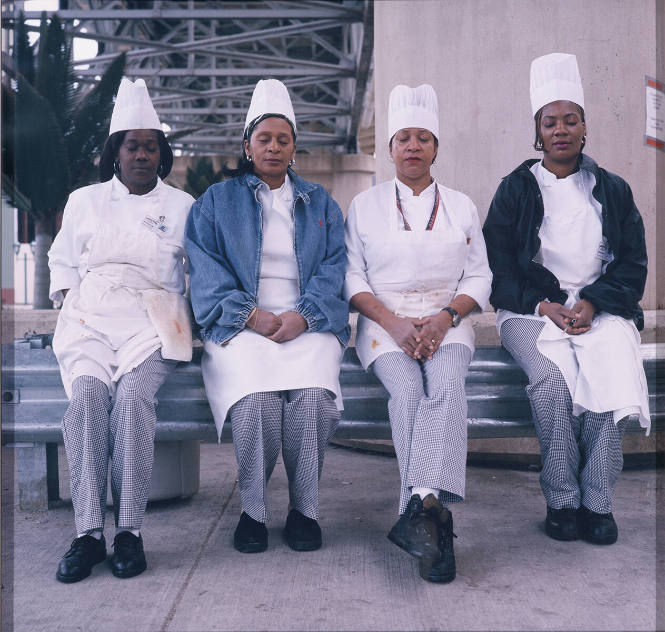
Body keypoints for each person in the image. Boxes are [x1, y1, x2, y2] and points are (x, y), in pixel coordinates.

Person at [482, 53, 650, 545]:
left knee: (608, 378)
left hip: (602, 309)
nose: (560, 130)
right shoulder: (515, 189)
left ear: (584, 127)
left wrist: (594, 303)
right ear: (537, 131)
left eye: (569, 120)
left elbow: (632, 264)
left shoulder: (613, 189)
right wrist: (543, 305)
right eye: (549, 122)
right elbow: (501, 268)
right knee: (554, 386)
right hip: (530, 311)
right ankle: (562, 499)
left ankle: (597, 500)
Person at [185, 79, 349, 554]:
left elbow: (334, 266)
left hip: (308, 323)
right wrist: (250, 316)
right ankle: (253, 511)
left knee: (315, 400)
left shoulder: (321, 202)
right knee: (256, 401)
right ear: (247, 145)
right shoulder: (216, 201)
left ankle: (305, 511)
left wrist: (306, 315)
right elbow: (206, 270)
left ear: (295, 147)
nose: (274, 147)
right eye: (264, 138)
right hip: (241, 324)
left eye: (283, 139)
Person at [48, 78, 194, 582]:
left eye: (150, 147)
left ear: (161, 154)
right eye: (132, 146)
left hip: (152, 326)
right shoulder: (85, 201)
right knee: (87, 402)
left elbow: (200, 272)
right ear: (116, 152)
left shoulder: (182, 207)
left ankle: (129, 531)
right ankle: (88, 534)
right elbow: (62, 261)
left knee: (133, 403)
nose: (141, 155)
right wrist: (72, 303)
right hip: (89, 322)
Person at [344, 84, 492, 583]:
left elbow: (479, 276)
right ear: (389, 148)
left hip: (447, 323)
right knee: (407, 395)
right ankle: (437, 517)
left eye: (423, 138)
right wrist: (393, 321)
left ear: (436, 147)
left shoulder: (461, 204)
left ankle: (420, 512)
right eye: (404, 137)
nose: (413, 146)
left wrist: (447, 316)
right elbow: (352, 278)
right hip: (385, 326)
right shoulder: (364, 206)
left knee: (446, 389)